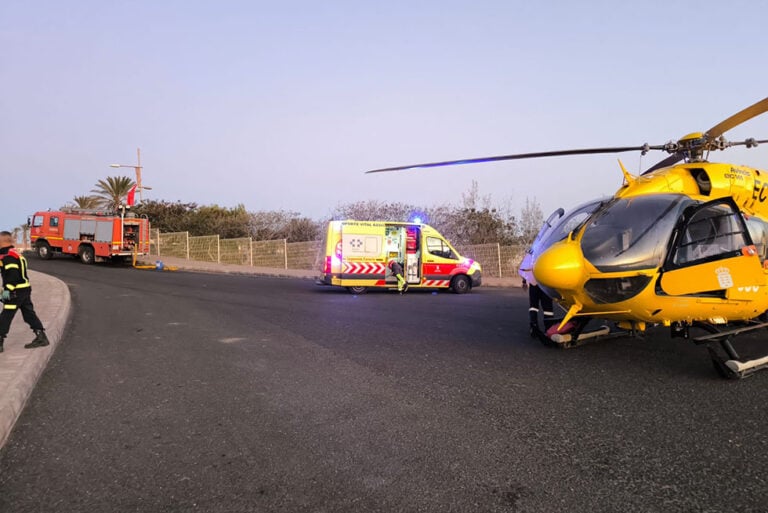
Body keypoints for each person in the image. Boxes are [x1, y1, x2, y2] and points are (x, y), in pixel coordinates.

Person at [0, 231, 49, 352]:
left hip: (15, 292)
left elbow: (13, 275)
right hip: (24, 289)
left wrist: (7, 292)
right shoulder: (16, 254)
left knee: (6, 316)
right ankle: (41, 337)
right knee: (29, 314)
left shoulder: (8, 257)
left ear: (3, 242)